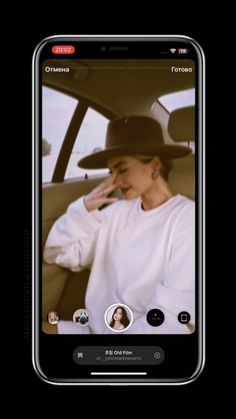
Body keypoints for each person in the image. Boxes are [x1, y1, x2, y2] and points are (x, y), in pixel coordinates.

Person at [44, 115, 195, 335]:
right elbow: (56, 253)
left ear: (155, 164)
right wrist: (84, 210)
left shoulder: (188, 219)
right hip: (92, 331)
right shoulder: (116, 213)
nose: (114, 181)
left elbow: (172, 320)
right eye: (111, 172)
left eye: (122, 170)